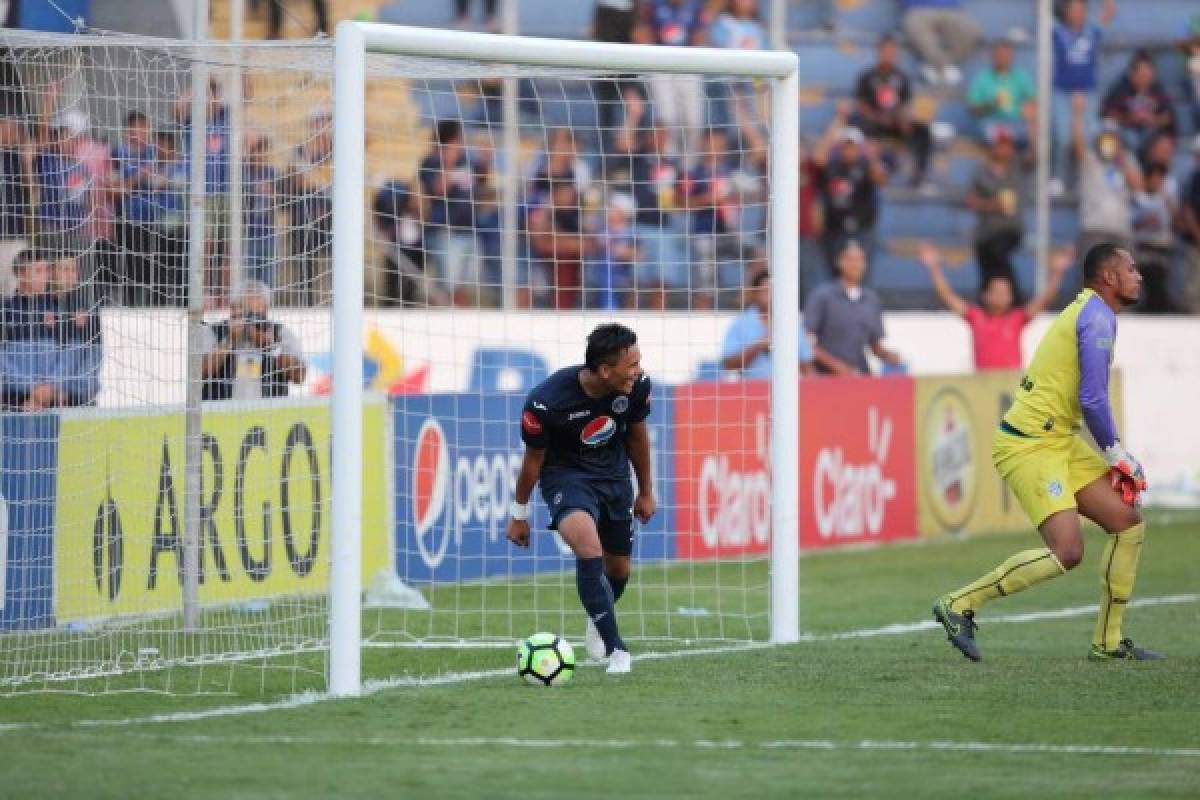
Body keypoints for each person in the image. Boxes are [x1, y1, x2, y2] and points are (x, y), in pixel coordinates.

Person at [933, 243, 1161, 663]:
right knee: (1067, 551)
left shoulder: (1095, 313)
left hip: (1059, 439)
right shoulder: (1095, 318)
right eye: (1130, 268)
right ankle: (959, 603)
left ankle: (1108, 643)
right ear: (1108, 277)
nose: (1138, 275)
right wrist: (1117, 454)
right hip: (1029, 443)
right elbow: (1093, 398)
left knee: (1127, 523)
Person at [506, 323, 656, 675]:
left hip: (615, 478)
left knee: (618, 570)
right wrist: (519, 512)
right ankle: (617, 650)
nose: (638, 371)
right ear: (605, 370)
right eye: (631, 364)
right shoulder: (546, 402)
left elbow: (637, 438)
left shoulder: (636, 388)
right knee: (589, 547)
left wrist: (646, 490)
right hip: (566, 478)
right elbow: (533, 460)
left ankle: (597, 617)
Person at [918, 242, 1071, 371]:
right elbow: (947, 296)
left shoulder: (1017, 318)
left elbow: (1045, 299)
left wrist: (1057, 272)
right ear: (986, 296)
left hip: (1011, 386)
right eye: (996, 292)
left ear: (1011, 297)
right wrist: (934, 268)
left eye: (1005, 292)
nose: (1001, 296)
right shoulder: (976, 317)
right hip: (983, 386)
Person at [804, 239, 903, 375]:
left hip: (860, 373)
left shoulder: (871, 300)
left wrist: (888, 355)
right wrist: (837, 367)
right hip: (827, 376)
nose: (855, 265)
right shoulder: (822, 296)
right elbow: (805, 342)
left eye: (860, 260)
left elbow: (875, 347)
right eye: (850, 259)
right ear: (839, 262)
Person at [198, 280, 306, 401]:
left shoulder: (280, 332)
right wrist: (229, 341)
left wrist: (272, 348)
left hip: (268, 413)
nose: (252, 320)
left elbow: (299, 377)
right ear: (233, 309)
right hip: (222, 412)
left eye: (258, 314)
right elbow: (198, 374)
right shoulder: (214, 331)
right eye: (248, 313)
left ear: (266, 309)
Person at [811, 104, 887, 275]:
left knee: (861, 275)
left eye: (852, 146)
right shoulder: (832, 167)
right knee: (834, 275)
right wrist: (838, 120)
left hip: (862, 229)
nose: (849, 149)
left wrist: (872, 155)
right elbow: (817, 158)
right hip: (834, 230)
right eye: (845, 145)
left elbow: (881, 180)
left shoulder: (866, 166)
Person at [1050, 0, 1116, 193]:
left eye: (1081, 9)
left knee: (1086, 138)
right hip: (1063, 91)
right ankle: (1058, 177)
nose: (1078, 14)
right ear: (1066, 12)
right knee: (1063, 137)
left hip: (1087, 91)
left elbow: (1109, 10)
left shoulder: (1091, 31)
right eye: (1074, 10)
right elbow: (1043, 14)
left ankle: (1082, 178)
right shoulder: (1058, 31)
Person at [853, 34, 933, 188]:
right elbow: (861, 105)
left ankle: (920, 173)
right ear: (878, 53)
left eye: (892, 52)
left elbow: (907, 105)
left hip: (896, 122)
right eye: (885, 52)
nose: (889, 56)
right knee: (859, 125)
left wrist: (903, 119)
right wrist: (878, 117)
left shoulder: (902, 78)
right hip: (874, 122)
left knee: (923, 131)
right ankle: (870, 169)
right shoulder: (867, 77)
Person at [966, 126, 1032, 299]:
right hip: (987, 230)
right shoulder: (981, 171)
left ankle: (1014, 297)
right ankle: (989, 297)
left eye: (1008, 145)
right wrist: (992, 205)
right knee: (985, 256)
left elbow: (1035, 154)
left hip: (1010, 228)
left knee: (997, 253)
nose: (1005, 150)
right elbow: (970, 201)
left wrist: (1032, 123)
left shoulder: (1017, 166)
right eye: (1001, 145)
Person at [1073, 95, 1141, 258]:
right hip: (1093, 227)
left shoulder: (1127, 159)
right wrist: (1078, 114)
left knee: (1125, 279)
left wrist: (1121, 161)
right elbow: (1077, 144)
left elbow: (1138, 186)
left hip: (1121, 229)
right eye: (1105, 137)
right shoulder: (1091, 159)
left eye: (1112, 137)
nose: (1109, 141)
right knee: (1092, 279)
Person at [720, 269, 814, 378]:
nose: (770, 296)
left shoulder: (791, 323)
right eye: (766, 291)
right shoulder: (741, 323)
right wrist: (760, 344)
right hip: (752, 389)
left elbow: (806, 366)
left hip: (786, 391)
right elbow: (729, 364)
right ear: (755, 293)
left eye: (774, 291)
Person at [0, 249, 62, 411]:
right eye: (39, 271)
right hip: (13, 400)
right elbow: (3, 359)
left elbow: (67, 351)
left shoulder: (57, 307)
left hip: (52, 398)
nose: (46, 276)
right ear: (22, 274)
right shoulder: (5, 310)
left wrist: (49, 387)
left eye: (47, 270)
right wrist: (30, 388)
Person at [1100, 52, 1177, 157]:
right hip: (1125, 132)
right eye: (1141, 75)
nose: (1145, 79)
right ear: (1132, 74)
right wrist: (1130, 118)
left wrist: (1152, 120)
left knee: (1162, 141)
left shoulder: (1157, 89)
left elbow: (1169, 116)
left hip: (1151, 134)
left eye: (1148, 75)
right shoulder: (1120, 88)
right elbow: (1107, 114)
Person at [52, 253, 100, 406]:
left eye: (73, 270)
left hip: (78, 396)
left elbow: (95, 354)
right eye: (64, 269)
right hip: (45, 396)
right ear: (52, 272)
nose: (70, 274)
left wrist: (71, 392)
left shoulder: (87, 308)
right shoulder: (39, 307)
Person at [967, 40, 1036, 145]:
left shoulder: (1021, 76)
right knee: (994, 134)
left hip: (1016, 122)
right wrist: (992, 105)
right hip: (990, 122)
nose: (1002, 59)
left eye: (1006, 55)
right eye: (999, 55)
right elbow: (973, 110)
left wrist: (1028, 109)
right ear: (993, 57)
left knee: (1032, 127)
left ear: (1012, 57)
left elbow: (1032, 101)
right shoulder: (982, 78)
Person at [901, 0, 981, 88]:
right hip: (918, 9)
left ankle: (938, 66)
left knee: (971, 30)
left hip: (951, 9)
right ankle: (944, 67)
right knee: (913, 24)